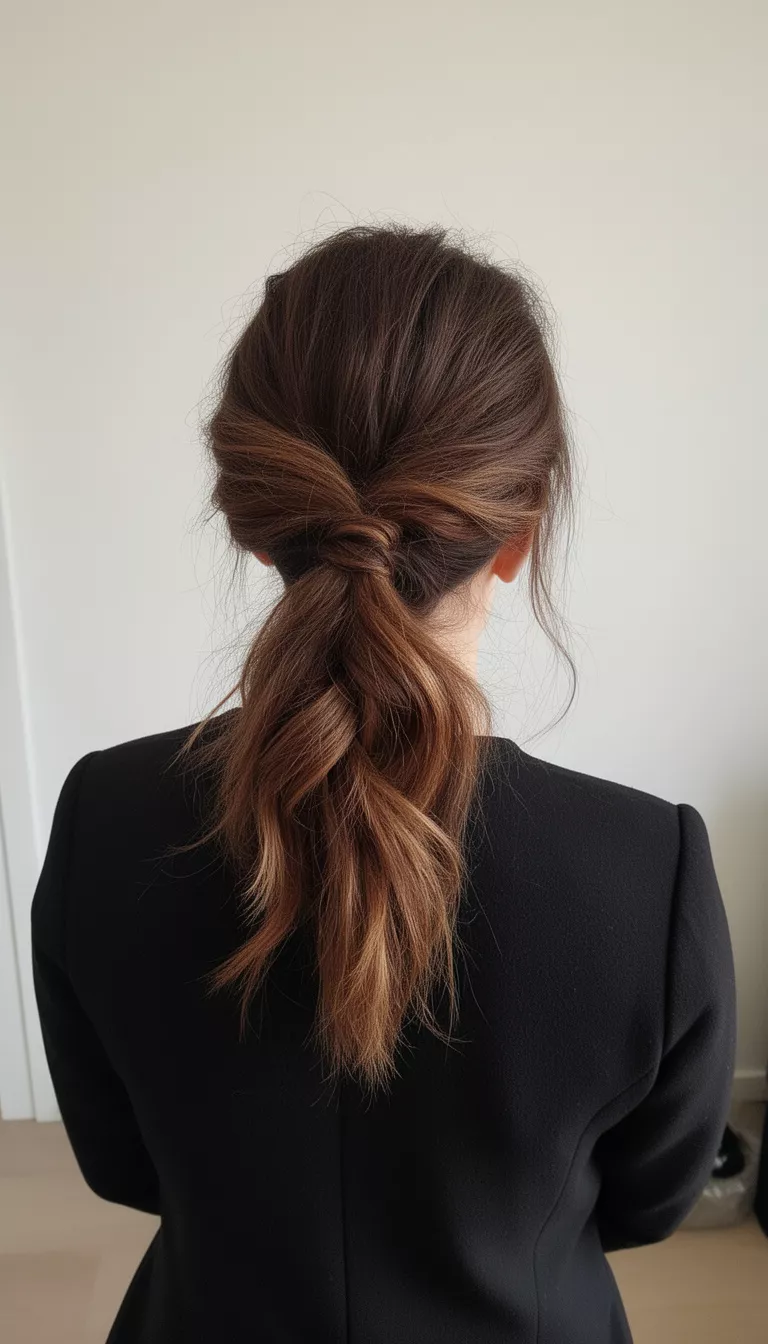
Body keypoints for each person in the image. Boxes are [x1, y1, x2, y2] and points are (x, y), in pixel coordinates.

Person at [31, 225, 736, 1344]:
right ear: (519, 532)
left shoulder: (102, 820)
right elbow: (647, 1204)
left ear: (255, 525)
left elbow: (125, 1168)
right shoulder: (648, 870)